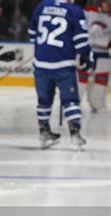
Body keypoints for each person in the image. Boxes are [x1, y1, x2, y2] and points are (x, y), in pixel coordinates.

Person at [28, 0, 93, 150]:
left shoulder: (42, 6)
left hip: (41, 64)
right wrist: (85, 56)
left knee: (44, 100)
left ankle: (44, 132)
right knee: (70, 100)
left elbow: (32, 34)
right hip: (64, 65)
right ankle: (75, 133)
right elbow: (81, 39)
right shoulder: (74, 10)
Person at [77, 1, 110, 114]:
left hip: (103, 53)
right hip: (86, 50)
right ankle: (74, 103)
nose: (108, 6)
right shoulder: (89, 11)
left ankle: (97, 103)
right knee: (81, 79)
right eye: (107, 3)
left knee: (101, 80)